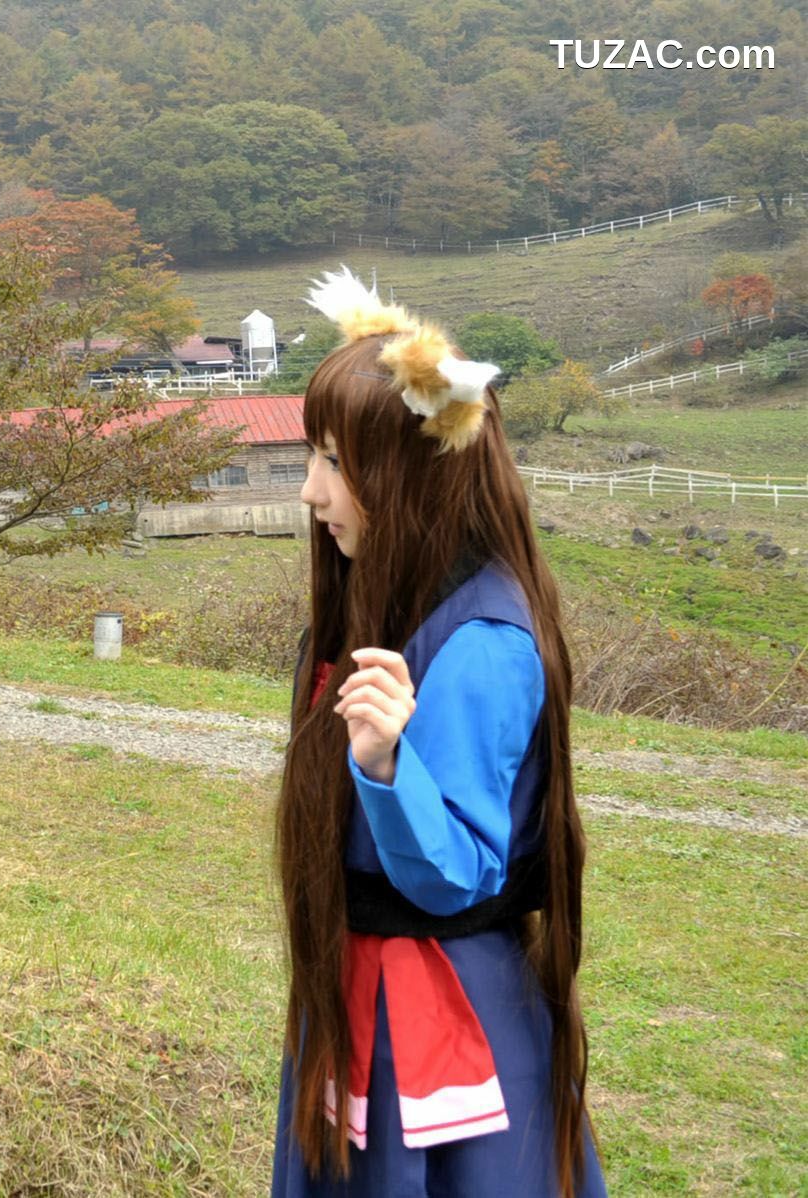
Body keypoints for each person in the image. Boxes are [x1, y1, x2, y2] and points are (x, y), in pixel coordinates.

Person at [270, 268, 608, 1198]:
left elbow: (456, 871)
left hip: (435, 1006)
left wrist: (383, 767)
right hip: (364, 988)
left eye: (335, 464)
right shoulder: (392, 598)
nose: (311, 492)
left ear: (414, 471)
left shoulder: (484, 642)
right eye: (315, 458)